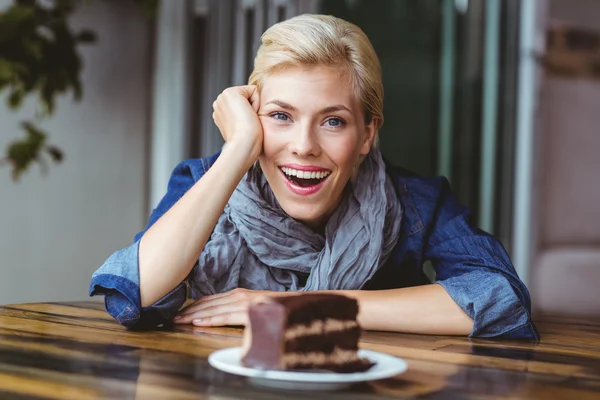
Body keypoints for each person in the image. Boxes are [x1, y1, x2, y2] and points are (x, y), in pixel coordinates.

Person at [90, 14, 538, 340]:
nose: (304, 145)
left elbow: (498, 298)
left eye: (333, 121)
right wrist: (237, 152)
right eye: (280, 116)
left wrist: (298, 308)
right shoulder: (203, 181)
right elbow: (138, 297)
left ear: (367, 134)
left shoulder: (415, 201)